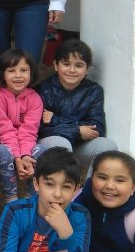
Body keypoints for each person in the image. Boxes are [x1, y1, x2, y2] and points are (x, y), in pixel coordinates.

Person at [34, 39, 117, 170]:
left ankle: (89, 183)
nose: (72, 70)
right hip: (51, 143)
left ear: (87, 69)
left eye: (79, 65)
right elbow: (40, 129)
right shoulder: (43, 90)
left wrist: (56, 120)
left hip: (80, 145)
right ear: (56, 65)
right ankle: (61, 183)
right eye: (66, 64)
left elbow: (97, 128)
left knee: (107, 145)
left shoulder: (93, 91)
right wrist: (77, 130)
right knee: (61, 144)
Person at [0, 49, 43, 203]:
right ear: (3, 74)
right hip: (1, 143)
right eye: (11, 70)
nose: (18, 75)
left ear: (31, 73)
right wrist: (17, 157)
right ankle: (11, 199)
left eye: (23, 70)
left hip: (25, 144)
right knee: (2, 151)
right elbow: (4, 130)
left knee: (41, 151)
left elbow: (29, 131)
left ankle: (31, 198)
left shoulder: (35, 99)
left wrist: (25, 155)